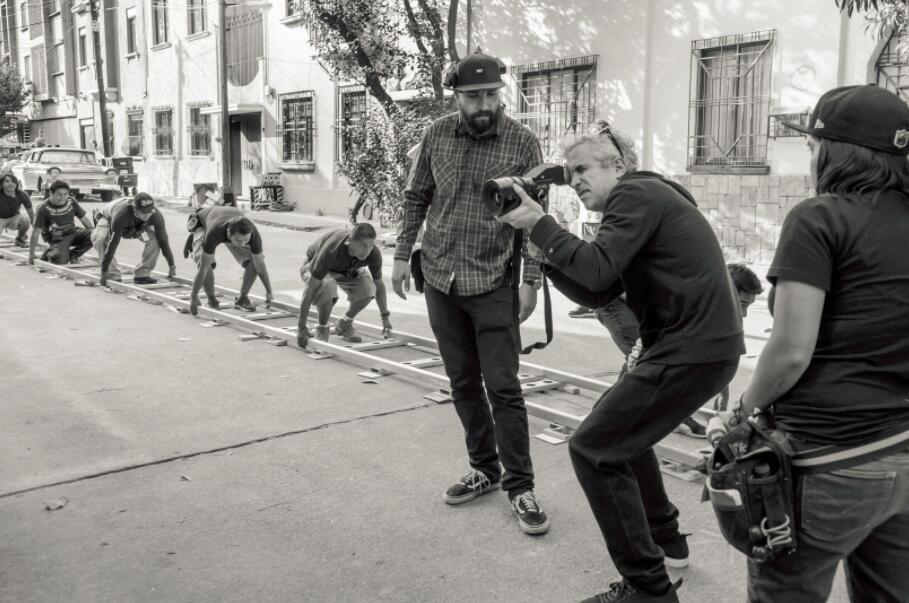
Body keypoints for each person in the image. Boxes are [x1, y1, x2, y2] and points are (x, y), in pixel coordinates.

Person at [497, 123, 744, 602]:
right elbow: (601, 290)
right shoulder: (641, 202)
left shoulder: (635, 193)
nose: (575, 181)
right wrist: (545, 256)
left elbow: (595, 269)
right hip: (695, 348)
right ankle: (666, 538)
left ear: (618, 164)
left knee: (593, 448)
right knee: (619, 433)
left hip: (690, 348)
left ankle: (648, 589)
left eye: (583, 169)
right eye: (570, 173)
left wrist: (541, 225)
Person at [722, 85, 909, 602]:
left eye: (812, 145)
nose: (810, 156)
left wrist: (741, 410)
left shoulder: (819, 217)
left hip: (827, 460)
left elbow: (790, 350)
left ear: (834, 150)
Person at [391, 51, 550, 536]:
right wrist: (401, 253)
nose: (484, 104)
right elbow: (417, 196)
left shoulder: (522, 142)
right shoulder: (436, 133)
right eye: (473, 96)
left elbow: (536, 220)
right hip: (440, 279)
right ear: (456, 97)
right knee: (462, 382)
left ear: (500, 93)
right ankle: (484, 468)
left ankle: (520, 487)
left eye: (491, 95)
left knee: (504, 388)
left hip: (493, 283)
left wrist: (530, 281)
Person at [296, 223, 392, 346]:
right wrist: (301, 327)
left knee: (367, 287)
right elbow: (311, 287)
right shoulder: (332, 249)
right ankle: (322, 328)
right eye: (363, 245)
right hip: (313, 264)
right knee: (328, 285)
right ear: (350, 241)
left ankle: (344, 323)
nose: (367, 251)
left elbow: (379, 284)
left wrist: (385, 318)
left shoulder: (373, 253)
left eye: (370, 246)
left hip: (345, 269)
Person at [188, 205, 273, 316]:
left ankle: (242, 298)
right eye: (239, 241)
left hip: (228, 222)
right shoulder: (214, 232)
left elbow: (260, 267)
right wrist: (194, 297)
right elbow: (203, 269)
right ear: (228, 234)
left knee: (254, 261)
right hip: (203, 224)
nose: (243, 244)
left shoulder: (252, 234)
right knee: (206, 264)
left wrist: (269, 291)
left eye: (246, 240)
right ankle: (212, 300)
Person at [92, 193, 177, 287]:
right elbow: (113, 244)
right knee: (101, 240)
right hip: (108, 219)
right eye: (143, 212)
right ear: (134, 209)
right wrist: (104, 272)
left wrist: (171, 265)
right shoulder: (121, 215)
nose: (146, 215)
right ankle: (112, 274)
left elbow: (164, 241)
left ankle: (142, 274)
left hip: (136, 225)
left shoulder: (155, 215)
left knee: (155, 241)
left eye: (149, 212)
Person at [28, 180, 93, 265]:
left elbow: (83, 219)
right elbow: (35, 232)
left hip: (73, 232)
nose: (63, 197)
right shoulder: (43, 208)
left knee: (96, 234)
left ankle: (73, 254)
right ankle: (50, 252)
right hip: (57, 238)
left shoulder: (71, 201)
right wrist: (31, 254)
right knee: (60, 260)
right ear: (51, 193)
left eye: (65, 194)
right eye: (59, 194)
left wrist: (94, 235)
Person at [0, 173, 34, 247]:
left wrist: (33, 222)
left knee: (25, 219)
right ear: (2, 184)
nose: (10, 183)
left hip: (14, 217)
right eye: (7, 181)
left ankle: (20, 239)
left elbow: (29, 210)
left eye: (13, 181)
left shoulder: (22, 194)